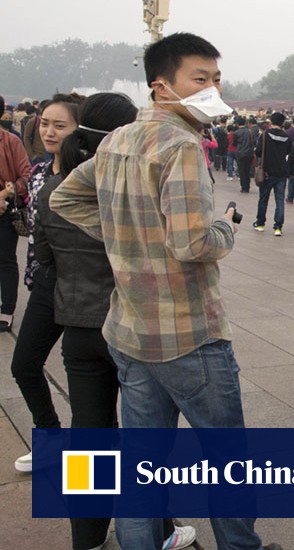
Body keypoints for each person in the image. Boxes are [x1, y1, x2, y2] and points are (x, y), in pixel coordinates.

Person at [50, 32, 278, 550]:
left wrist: (125, 233)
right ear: (162, 87)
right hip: (188, 334)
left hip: (128, 330)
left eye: (217, 79)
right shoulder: (180, 146)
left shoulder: (118, 139)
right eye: (199, 79)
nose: (212, 88)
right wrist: (227, 226)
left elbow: (65, 198)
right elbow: (193, 242)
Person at [39, 92, 197, 550]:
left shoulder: (54, 189)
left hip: (77, 328)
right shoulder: (131, 190)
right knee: (146, 436)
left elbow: (43, 264)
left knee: (88, 434)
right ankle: (159, 530)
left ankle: (86, 535)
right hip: (130, 327)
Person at [10, 94, 77, 473]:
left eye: (60, 125)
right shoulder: (37, 171)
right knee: (24, 365)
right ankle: (50, 436)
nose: (49, 131)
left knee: (90, 393)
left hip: (84, 290)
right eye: (45, 123)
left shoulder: (86, 175)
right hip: (44, 284)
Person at [0, 98, 32, 333]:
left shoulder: (10, 141)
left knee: (5, 259)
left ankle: (7, 309)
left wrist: (6, 193)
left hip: (5, 210)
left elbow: (26, 175)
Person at [253, 112, 292, 235]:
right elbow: (288, 152)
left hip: (267, 172)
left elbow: (258, 152)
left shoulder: (265, 135)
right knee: (279, 200)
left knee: (263, 199)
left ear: (271, 122)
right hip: (281, 172)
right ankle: (278, 227)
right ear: (282, 123)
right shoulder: (287, 137)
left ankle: (260, 224)